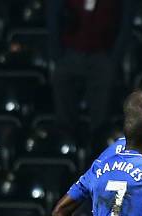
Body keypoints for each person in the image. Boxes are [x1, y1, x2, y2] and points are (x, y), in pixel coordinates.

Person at [47, 0, 132, 150]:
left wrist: (113, 59)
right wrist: (57, 54)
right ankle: (66, 141)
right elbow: (54, 17)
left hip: (102, 56)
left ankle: (97, 144)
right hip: (70, 54)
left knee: (101, 111)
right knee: (61, 85)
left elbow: (125, 24)